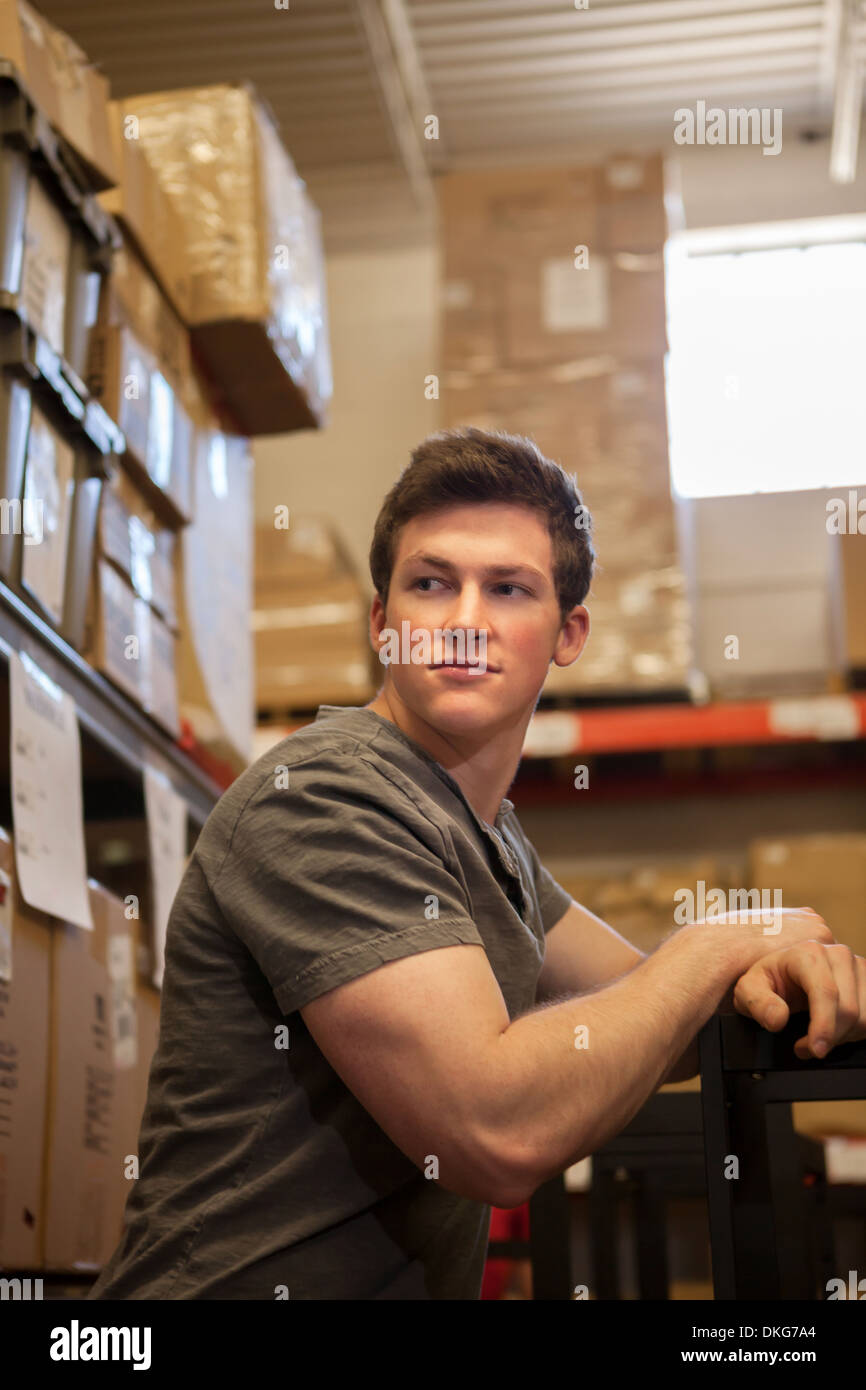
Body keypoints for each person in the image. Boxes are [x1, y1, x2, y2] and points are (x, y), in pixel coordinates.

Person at [89, 426, 865, 1300]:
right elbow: (494, 1130)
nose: (462, 622)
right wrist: (725, 940)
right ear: (383, 625)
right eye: (431, 583)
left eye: (507, 589)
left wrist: (782, 965)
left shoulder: (492, 841)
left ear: (568, 633)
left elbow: (656, 1010)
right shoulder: (325, 796)